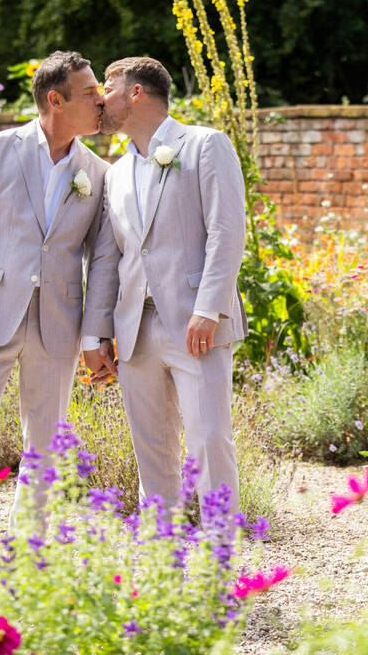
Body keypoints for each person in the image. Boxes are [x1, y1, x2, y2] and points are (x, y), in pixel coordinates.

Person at [0, 50, 116, 531]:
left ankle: (27, 550)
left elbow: (100, 261)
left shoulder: (96, 172)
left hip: (58, 323)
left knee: (47, 444)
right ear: (55, 100)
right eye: (90, 93)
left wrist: (96, 335)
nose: (102, 100)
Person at [88, 56, 247, 512]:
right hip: (134, 328)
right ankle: (161, 549)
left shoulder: (204, 145)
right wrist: (98, 332)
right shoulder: (114, 173)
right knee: (151, 446)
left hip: (197, 322)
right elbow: (107, 260)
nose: (100, 97)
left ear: (136, 92)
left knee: (210, 439)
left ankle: (221, 546)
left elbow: (226, 231)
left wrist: (209, 308)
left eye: (108, 87)